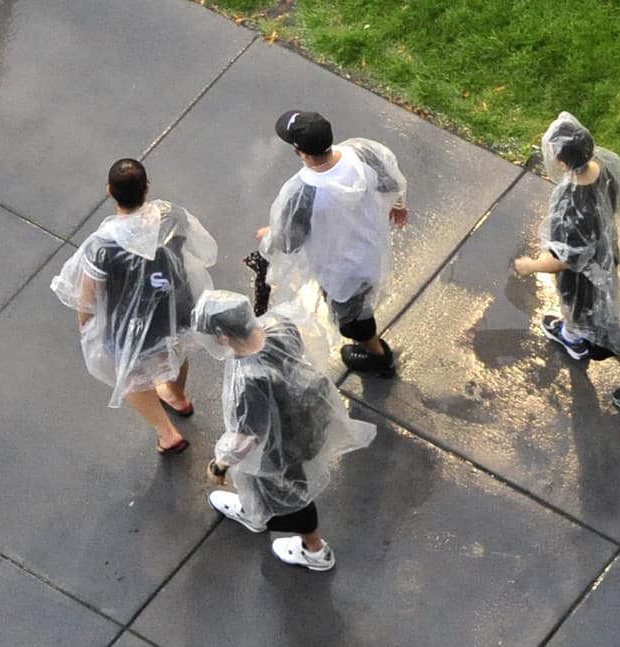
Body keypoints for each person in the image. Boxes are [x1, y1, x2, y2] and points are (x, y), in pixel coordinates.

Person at [192, 290, 376, 571]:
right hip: (306, 423)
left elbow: (247, 438)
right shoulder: (279, 325)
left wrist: (220, 465)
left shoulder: (249, 381)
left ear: (224, 337)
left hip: (280, 449)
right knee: (268, 483)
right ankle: (252, 507)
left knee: (291, 492)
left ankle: (314, 550)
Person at [51, 158, 217, 455]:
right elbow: (200, 251)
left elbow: (87, 296)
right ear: (147, 188)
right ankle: (178, 397)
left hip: (131, 324)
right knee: (175, 348)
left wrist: (86, 327)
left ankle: (167, 434)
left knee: (129, 375)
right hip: (175, 307)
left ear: (109, 192)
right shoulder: (172, 215)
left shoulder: (102, 246)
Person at [257, 110, 409, 377]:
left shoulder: (302, 192)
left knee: (352, 319)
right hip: (371, 251)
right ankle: (372, 347)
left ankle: (377, 356)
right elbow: (390, 181)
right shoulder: (361, 153)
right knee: (360, 303)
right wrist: (397, 205)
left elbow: (289, 242)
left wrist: (271, 233)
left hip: (339, 272)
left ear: (299, 152)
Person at [513, 112, 620, 413]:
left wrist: (530, 265)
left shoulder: (570, 202)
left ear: (562, 161)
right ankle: (572, 335)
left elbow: (564, 260)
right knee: (574, 309)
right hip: (602, 257)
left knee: (610, 335)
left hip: (587, 281)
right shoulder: (602, 168)